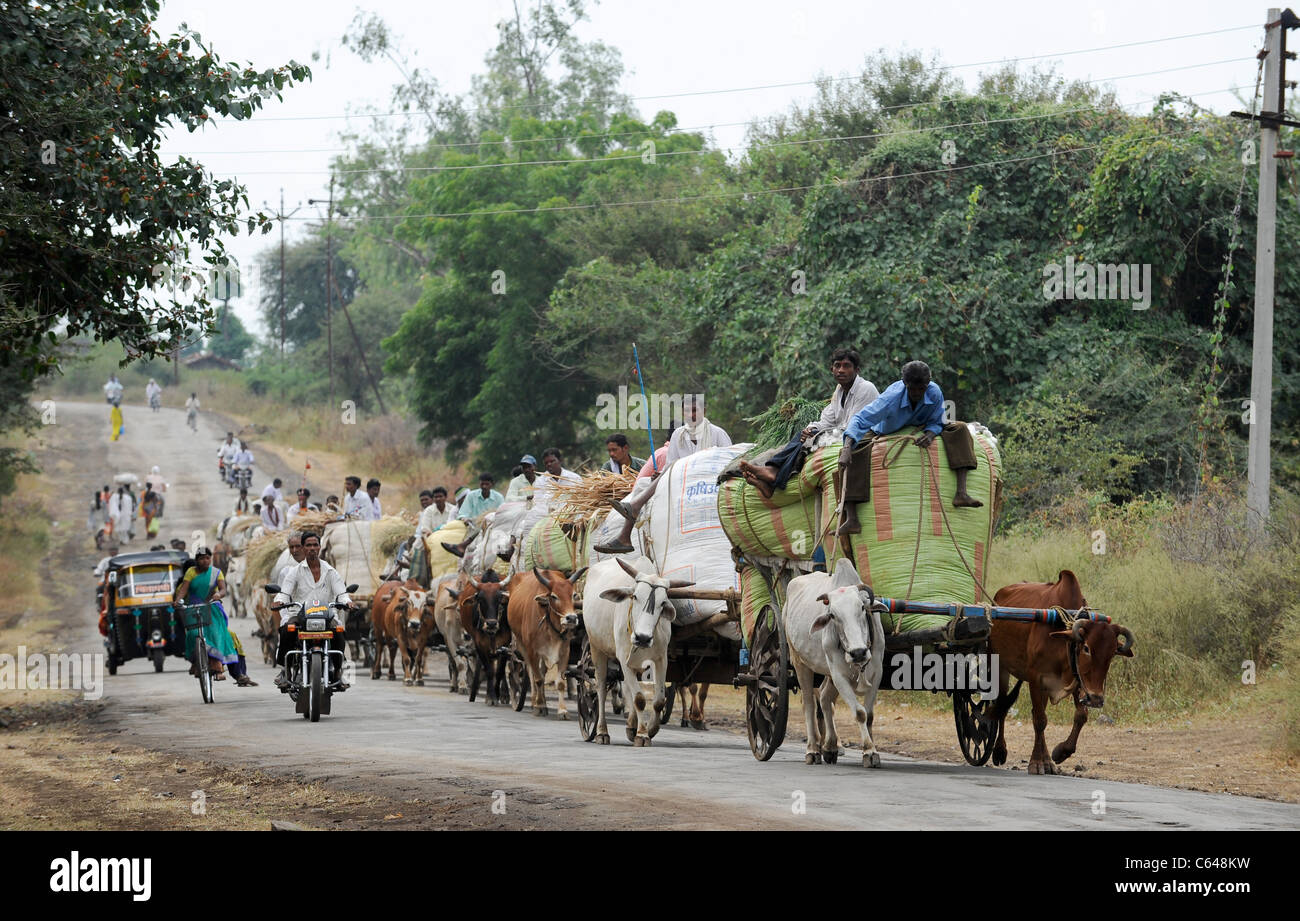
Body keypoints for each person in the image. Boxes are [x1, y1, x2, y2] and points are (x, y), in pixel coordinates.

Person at [835, 359, 983, 536]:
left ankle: (961, 493)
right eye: (912, 389)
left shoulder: (934, 392)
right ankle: (852, 518)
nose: (917, 393)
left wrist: (930, 434)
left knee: (960, 428)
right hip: (885, 430)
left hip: (919, 425)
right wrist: (846, 449)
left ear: (927, 384)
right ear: (905, 384)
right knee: (855, 452)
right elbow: (861, 419)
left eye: (921, 389)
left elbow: (938, 420)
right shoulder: (890, 398)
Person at [595, 396, 731, 554]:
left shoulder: (717, 434)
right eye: (687, 411)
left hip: (709, 483)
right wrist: (660, 475)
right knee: (642, 483)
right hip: (681, 482)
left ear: (704, 411)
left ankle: (635, 506)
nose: (691, 415)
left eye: (695, 410)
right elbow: (670, 464)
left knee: (661, 477)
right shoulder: (678, 435)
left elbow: (727, 462)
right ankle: (625, 536)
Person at [739, 347, 880, 498]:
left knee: (812, 440)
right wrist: (811, 429)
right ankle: (772, 473)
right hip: (842, 433)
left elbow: (853, 426)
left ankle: (773, 474)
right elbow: (826, 421)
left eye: (846, 366)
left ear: (856, 370)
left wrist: (816, 434)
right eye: (837, 366)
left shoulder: (865, 388)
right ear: (831, 369)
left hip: (860, 438)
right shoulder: (839, 391)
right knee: (805, 434)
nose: (841, 370)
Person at [271, 532, 352, 690]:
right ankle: (286, 671)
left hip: (326, 615)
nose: (312, 548)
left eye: (315, 545)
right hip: (299, 614)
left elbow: (341, 593)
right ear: (303, 548)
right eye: (308, 545)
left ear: (320, 548)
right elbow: (285, 592)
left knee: (339, 631)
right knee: (287, 630)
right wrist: (280, 600)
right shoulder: (295, 572)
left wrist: (347, 601)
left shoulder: (330, 571)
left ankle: (337, 672)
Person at [172, 547, 241, 681]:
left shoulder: (216, 572)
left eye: (207, 558)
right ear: (197, 560)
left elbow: (223, 590)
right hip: (194, 607)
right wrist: (178, 600)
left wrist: (218, 594)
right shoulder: (190, 572)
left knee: (215, 633)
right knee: (192, 634)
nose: (205, 561)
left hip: (212, 606)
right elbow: (183, 590)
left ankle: (217, 665)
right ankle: (197, 663)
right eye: (202, 558)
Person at [441, 474, 504, 557]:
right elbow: (463, 513)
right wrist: (465, 518)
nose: (484, 486)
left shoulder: (499, 497)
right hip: (474, 524)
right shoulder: (471, 496)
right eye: (482, 484)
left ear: (492, 484)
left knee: (487, 520)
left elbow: (502, 514)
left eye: (487, 484)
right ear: (479, 484)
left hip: (493, 525)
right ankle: (463, 547)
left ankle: (462, 545)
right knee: (479, 522)